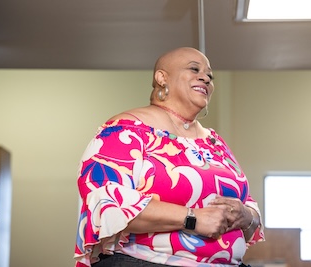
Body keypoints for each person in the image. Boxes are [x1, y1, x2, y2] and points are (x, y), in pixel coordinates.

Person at [74, 47, 264, 267]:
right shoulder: (125, 130)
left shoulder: (215, 143)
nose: (205, 78)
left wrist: (247, 217)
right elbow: (105, 202)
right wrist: (192, 218)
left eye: (210, 76)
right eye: (194, 69)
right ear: (162, 77)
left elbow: (249, 203)